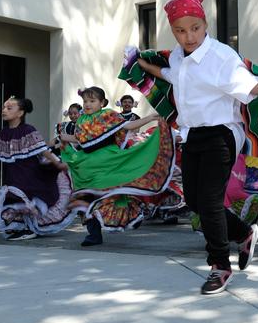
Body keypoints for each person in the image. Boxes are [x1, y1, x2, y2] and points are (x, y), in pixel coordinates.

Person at [135, 0, 258, 295]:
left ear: (205, 25)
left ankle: (219, 266)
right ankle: (243, 233)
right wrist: (142, 66)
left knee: (212, 202)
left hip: (221, 133)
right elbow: (170, 74)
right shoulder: (178, 56)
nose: (189, 36)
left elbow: (248, 85)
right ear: (173, 30)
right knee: (195, 201)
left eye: (195, 28)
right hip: (192, 135)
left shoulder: (221, 56)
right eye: (180, 30)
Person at [59, 86, 173, 246]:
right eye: (85, 101)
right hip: (86, 165)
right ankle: (93, 234)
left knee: (110, 195)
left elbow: (128, 126)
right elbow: (79, 140)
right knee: (86, 197)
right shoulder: (82, 120)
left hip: (108, 161)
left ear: (102, 103)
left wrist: (151, 118)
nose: (87, 104)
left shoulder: (108, 115)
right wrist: (63, 137)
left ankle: (132, 213)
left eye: (92, 101)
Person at [0, 97, 77, 240]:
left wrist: (57, 162)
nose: (4, 111)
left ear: (20, 113)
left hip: (30, 172)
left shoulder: (28, 130)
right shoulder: (4, 133)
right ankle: (20, 226)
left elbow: (43, 149)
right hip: (13, 173)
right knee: (14, 198)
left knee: (27, 199)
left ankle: (30, 228)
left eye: (9, 108)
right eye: (4, 108)